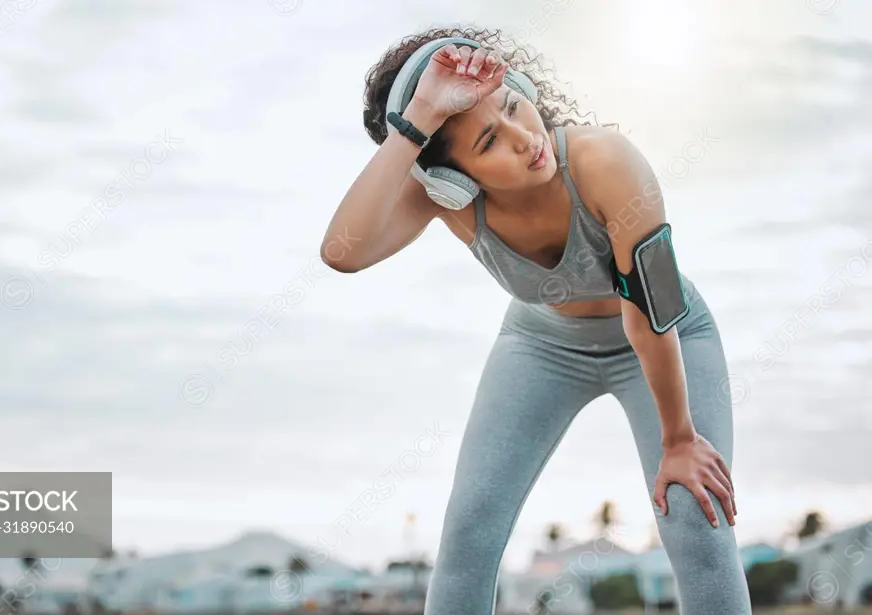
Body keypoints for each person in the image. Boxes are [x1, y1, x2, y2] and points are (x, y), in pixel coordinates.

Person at [319, 26, 751, 615]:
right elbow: (343, 251)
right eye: (491, 140)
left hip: (665, 335)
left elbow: (651, 313)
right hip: (542, 344)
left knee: (694, 516)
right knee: (470, 532)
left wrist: (679, 439)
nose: (527, 139)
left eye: (514, 106)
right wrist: (417, 119)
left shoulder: (606, 160)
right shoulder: (451, 200)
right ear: (451, 179)